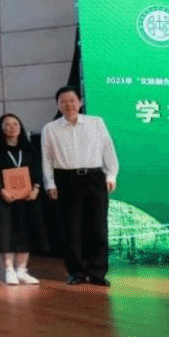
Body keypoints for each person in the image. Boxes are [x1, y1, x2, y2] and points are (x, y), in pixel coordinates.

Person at [42, 86, 119, 287]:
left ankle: (97, 272)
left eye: (72, 100)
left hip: (94, 178)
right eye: (63, 101)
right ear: (58, 105)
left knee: (98, 227)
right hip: (66, 179)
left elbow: (108, 149)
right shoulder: (50, 128)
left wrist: (111, 174)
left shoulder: (96, 122)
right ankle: (76, 272)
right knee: (71, 229)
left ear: (80, 102)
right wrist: (49, 183)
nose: (68, 104)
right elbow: (46, 158)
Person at [0, 113, 42, 286]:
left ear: (20, 127)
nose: (12, 127)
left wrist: (36, 188)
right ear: (1, 128)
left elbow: (38, 171)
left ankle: (22, 270)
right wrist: (1, 191)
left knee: (25, 232)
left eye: (15, 124)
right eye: (7, 124)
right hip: (5, 198)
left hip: (27, 197)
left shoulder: (30, 149)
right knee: (6, 233)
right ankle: (9, 270)